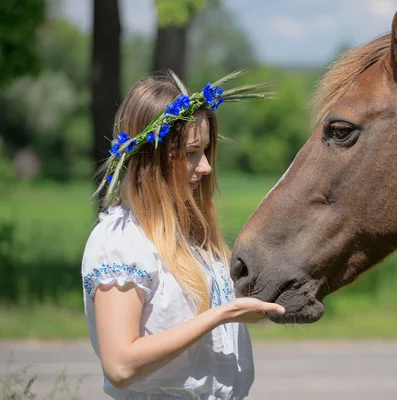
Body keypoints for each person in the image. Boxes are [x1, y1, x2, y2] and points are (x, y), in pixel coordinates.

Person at [81, 69, 283, 399]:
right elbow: (120, 366)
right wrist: (221, 315)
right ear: (151, 159)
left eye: (205, 151)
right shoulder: (121, 242)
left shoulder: (194, 236)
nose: (204, 167)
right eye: (190, 153)